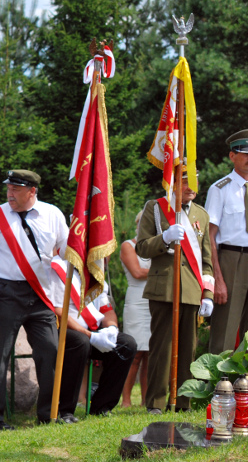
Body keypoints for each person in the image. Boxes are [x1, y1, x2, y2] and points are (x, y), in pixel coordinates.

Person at [0, 169, 68, 429]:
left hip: (40, 292)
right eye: (8, 188)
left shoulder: (52, 214)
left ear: (32, 191)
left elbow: (67, 248)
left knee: (50, 350)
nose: (9, 194)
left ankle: (50, 413)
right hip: (6, 291)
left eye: (16, 189)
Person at [136, 167, 214, 413]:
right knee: (162, 347)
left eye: (194, 182)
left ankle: (183, 401)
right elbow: (142, 248)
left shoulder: (201, 214)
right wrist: (165, 238)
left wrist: (208, 294)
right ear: (173, 183)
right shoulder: (155, 208)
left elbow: (207, 261)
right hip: (165, 287)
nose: (191, 187)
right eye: (185, 181)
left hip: (192, 290)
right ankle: (156, 403)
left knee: (188, 349)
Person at [48, 256, 137, 421]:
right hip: (63, 330)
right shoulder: (58, 269)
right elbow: (57, 311)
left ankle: (101, 407)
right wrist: (88, 334)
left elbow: (106, 309)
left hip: (91, 331)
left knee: (126, 344)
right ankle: (65, 410)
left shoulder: (94, 273)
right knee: (80, 342)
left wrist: (111, 329)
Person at [206, 129, 248, 353]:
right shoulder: (220, 189)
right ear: (232, 156)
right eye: (245, 154)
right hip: (232, 259)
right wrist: (218, 279)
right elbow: (209, 236)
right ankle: (218, 375)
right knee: (225, 331)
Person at [120, 211, 152, 407]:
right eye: (143, 223)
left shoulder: (155, 247)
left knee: (150, 353)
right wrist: (163, 271)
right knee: (135, 353)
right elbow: (137, 272)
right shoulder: (128, 246)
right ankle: (125, 400)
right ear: (137, 224)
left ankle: (146, 400)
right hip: (136, 302)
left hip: (154, 302)